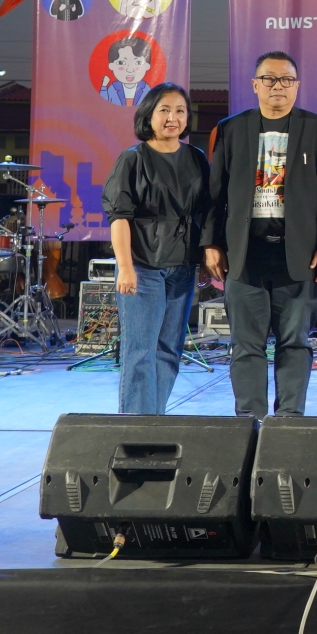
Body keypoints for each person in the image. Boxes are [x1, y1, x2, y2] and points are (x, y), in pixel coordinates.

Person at [202, 51, 317, 418]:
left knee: (295, 342)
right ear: (255, 85)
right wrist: (211, 242)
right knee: (246, 344)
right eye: (269, 79)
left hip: (299, 254)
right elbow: (215, 193)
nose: (278, 86)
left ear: (297, 85)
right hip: (244, 252)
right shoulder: (231, 129)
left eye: (286, 79)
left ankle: (289, 420)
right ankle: (248, 421)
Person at [102, 83, 208, 414]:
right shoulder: (132, 159)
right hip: (142, 265)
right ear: (149, 116)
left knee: (169, 350)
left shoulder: (196, 158)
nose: (172, 117)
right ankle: (136, 426)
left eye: (180, 111)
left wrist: (206, 255)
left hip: (183, 266)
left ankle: (156, 420)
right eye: (164, 110)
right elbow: (119, 217)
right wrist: (126, 267)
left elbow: (207, 212)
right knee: (140, 351)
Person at [99, 35, 155, 108]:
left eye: (138, 63)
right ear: (112, 66)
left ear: (147, 66)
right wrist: (104, 87)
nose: (130, 70)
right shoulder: (114, 87)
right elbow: (104, 103)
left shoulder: (145, 88)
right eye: (121, 63)